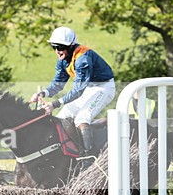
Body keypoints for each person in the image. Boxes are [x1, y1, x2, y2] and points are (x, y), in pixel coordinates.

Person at [29, 26, 115, 156]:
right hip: (88, 88)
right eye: (54, 47)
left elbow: (78, 90)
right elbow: (58, 83)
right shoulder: (63, 60)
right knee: (62, 117)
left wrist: (55, 104)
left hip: (103, 88)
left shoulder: (82, 59)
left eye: (61, 47)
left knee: (81, 118)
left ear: (71, 46)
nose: (57, 51)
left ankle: (89, 156)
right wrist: (43, 93)